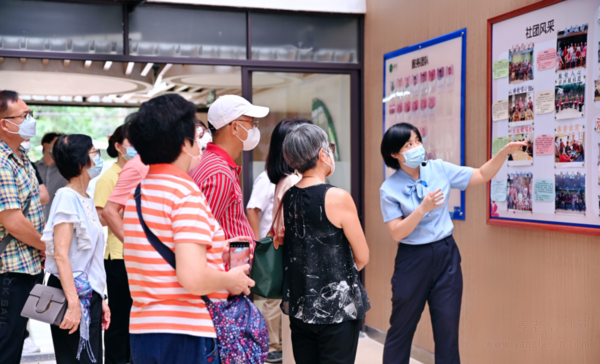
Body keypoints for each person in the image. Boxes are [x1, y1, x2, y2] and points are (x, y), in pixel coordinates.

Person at [123, 94, 255, 364]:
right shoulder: (184, 193)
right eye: (195, 135)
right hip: (186, 332)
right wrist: (233, 279)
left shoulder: (138, 194)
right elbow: (192, 276)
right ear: (184, 143)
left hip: (143, 330)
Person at [379, 123, 525, 364]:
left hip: (446, 256)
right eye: (409, 144)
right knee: (401, 330)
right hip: (412, 260)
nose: (417, 147)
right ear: (395, 154)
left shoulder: (438, 169)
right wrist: (422, 209)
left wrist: (503, 153)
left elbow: (481, 174)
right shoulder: (389, 189)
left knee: (448, 332)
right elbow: (396, 232)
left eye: (417, 140)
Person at [278, 124, 370, 364]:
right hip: (336, 312)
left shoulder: (289, 196)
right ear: (322, 154)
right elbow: (362, 256)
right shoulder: (337, 197)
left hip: (300, 307)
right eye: (330, 147)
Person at [42, 134, 110, 364]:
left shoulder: (85, 198)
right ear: (81, 163)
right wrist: (73, 304)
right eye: (94, 153)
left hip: (87, 294)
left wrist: (100, 298)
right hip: (69, 293)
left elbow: (89, 256)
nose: (98, 158)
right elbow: (60, 254)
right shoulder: (66, 197)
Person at [0, 90, 46, 364]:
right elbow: (13, 221)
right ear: (5, 123)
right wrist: (46, 246)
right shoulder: (2, 163)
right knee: (6, 344)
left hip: (24, 267)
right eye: (24, 115)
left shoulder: (20, 157)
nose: (31, 120)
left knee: (15, 339)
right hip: (8, 272)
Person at [189, 95, 269, 241]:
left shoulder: (209, 162)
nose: (254, 128)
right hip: (227, 263)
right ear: (235, 127)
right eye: (252, 122)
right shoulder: (219, 173)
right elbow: (203, 235)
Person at [94, 125, 133, 364]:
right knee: (119, 320)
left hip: (138, 256)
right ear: (118, 146)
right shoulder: (109, 177)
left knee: (134, 319)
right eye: (132, 142)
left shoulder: (142, 173)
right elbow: (101, 215)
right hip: (118, 257)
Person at [102, 113, 148, 244]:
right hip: (118, 249)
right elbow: (104, 215)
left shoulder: (142, 165)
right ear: (118, 146)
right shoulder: (110, 177)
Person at [35, 132, 68, 221]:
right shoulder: (32, 168)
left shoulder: (66, 171)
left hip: (58, 221)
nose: (60, 148)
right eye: (57, 144)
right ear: (46, 145)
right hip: (35, 222)